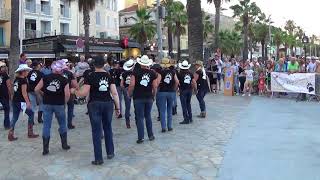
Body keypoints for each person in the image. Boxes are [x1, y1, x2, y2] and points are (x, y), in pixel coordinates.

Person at [73, 56, 120, 165]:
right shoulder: (109, 76)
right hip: (108, 104)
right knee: (108, 128)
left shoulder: (90, 76)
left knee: (96, 131)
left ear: (93, 65)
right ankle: (110, 152)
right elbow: (114, 93)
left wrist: (74, 92)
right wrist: (117, 107)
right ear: (104, 64)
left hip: (94, 104)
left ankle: (98, 158)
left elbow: (84, 93)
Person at [35, 60, 71, 155]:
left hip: (47, 103)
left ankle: (45, 149)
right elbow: (67, 94)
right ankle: (64, 144)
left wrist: (43, 94)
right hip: (59, 104)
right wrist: (64, 103)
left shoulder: (45, 77)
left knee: (46, 125)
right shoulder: (64, 80)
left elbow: (36, 89)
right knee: (62, 124)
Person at [128, 55, 157, 144]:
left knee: (140, 117)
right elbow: (155, 86)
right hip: (148, 97)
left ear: (140, 63)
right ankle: (150, 135)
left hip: (138, 97)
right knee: (148, 116)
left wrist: (129, 94)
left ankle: (141, 137)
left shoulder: (135, 72)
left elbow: (132, 85)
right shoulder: (152, 73)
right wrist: (153, 95)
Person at [8, 64, 39, 141]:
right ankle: (30, 132)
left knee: (15, 117)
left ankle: (10, 133)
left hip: (15, 100)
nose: (28, 72)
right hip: (21, 102)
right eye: (27, 71)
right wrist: (28, 102)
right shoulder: (23, 80)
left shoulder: (17, 79)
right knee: (31, 114)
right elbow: (24, 93)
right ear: (23, 72)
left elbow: (14, 90)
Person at [158, 58, 179, 133]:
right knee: (170, 109)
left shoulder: (161, 72)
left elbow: (157, 82)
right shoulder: (173, 72)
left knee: (162, 110)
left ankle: (163, 127)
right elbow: (177, 82)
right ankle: (169, 126)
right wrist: (174, 89)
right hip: (171, 92)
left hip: (162, 92)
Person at [62, 59, 78, 129]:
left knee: (61, 108)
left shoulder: (57, 73)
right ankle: (69, 123)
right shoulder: (69, 73)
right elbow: (74, 84)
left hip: (60, 93)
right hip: (69, 92)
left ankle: (62, 123)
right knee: (70, 108)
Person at [121, 59, 135, 128]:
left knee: (127, 107)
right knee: (136, 105)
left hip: (126, 89)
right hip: (134, 89)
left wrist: (124, 89)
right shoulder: (135, 73)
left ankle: (127, 122)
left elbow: (121, 84)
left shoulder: (123, 73)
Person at [0, 61, 12, 129]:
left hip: (3, 95)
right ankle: (7, 125)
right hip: (4, 95)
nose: (4, 68)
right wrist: (10, 95)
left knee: (6, 109)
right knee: (7, 109)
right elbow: (9, 85)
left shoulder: (5, 74)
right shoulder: (5, 75)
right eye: (3, 67)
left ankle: (7, 124)